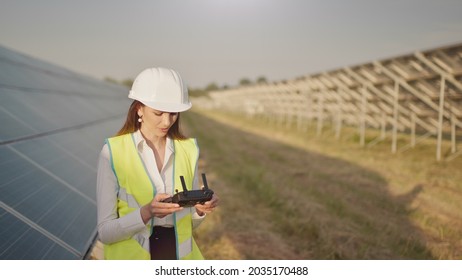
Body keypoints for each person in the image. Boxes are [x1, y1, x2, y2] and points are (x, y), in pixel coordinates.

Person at [96, 67, 219, 260]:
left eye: (174, 113)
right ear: (139, 109)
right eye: (158, 113)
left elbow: (188, 225)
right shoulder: (113, 153)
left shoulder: (188, 150)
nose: (167, 121)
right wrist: (145, 213)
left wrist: (199, 210)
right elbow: (105, 233)